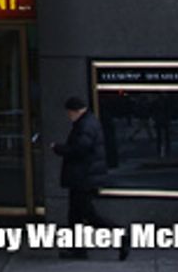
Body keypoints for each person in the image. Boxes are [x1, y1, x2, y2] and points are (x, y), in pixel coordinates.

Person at [51, 96, 128, 261]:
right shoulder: (89, 122)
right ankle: (77, 249)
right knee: (76, 215)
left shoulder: (84, 125)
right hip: (85, 176)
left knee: (86, 214)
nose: (68, 116)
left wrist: (58, 148)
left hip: (83, 177)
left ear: (75, 111)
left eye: (69, 113)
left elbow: (79, 149)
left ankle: (119, 234)